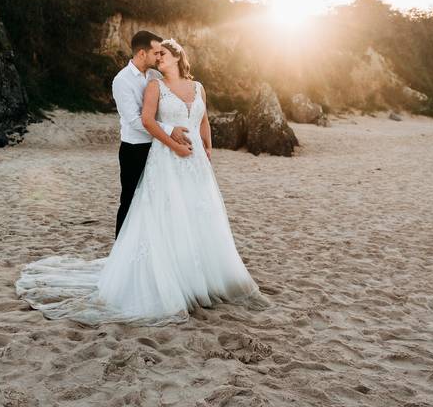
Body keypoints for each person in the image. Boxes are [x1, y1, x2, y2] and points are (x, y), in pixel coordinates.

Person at [15, 37, 269, 326]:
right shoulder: (149, 84)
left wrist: (207, 147)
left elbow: (203, 120)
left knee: (197, 213)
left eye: (163, 53)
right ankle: (152, 272)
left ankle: (199, 275)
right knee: (153, 211)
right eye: (155, 53)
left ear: (176, 56)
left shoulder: (197, 87)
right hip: (160, 155)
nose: (158, 58)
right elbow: (144, 121)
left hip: (195, 160)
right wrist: (174, 143)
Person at [110, 31, 192, 239]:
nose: (159, 57)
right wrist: (169, 131)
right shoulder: (122, 81)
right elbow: (136, 121)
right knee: (130, 200)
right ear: (141, 53)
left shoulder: (155, 76)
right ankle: (121, 253)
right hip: (134, 149)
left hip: (158, 148)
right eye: (156, 52)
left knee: (155, 200)